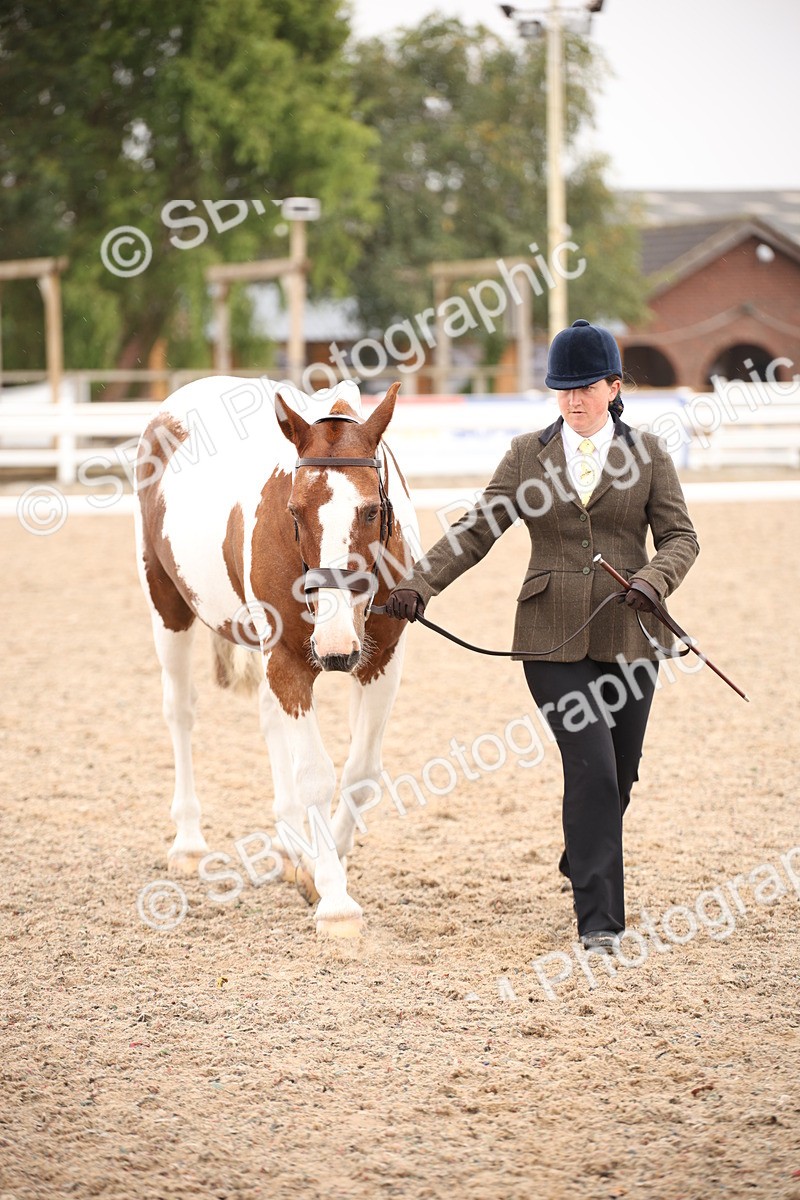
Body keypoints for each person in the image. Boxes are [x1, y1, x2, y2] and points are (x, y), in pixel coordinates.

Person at [385, 319, 699, 954]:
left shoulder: (650, 456)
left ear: (615, 386)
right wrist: (420, 584)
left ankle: (581, 852)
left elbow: (681, 539)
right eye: (563, 389)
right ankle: (601, 924)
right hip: (550, 637)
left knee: (622, 773)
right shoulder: (529, 455)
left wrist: (653, 580)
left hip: (631, 636)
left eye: (586, 387)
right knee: (591, 770)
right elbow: (478, 529)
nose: (575, 399)